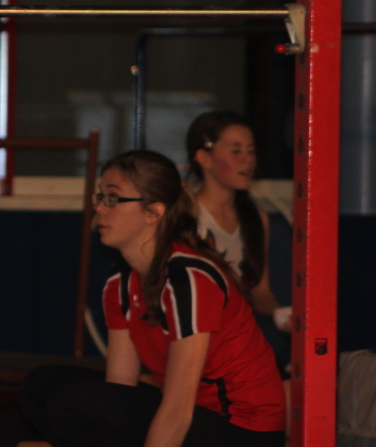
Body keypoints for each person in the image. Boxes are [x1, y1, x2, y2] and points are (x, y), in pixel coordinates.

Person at [20, 150, 285, 447]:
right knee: (40, 385)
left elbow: (178, 410)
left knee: (72, 401)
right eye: (100, 197)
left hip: (243, 430)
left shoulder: (189, 279)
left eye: (112, 198)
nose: (100, 208)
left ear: (153, 212)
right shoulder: (121, 281)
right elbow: (120, 387)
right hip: (194, 415)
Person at [185, 111, 291, 332]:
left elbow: (260, 292)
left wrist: (282, 315)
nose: (247, 159)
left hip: (237, 337)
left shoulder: (256, 218)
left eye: (251, 151)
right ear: (204, 158)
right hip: (195, 331)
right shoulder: (186, 215)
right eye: (235, 151)